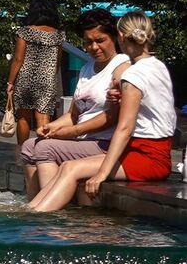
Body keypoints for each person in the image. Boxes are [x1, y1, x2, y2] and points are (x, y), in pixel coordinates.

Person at [29, 12, 176, 212]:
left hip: (146, 155)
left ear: (120, 37)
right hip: (152, 151)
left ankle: (40, 218)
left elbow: (124, 128)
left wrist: (102, 173)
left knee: (72, 168)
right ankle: (33, 211)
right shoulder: (157, 66)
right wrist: (120, 98)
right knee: (68, 167)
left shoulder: (133, 74)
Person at [19, 8, 127, 197]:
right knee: (29, 146)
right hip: (84, 141)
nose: (94, 47)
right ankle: (34, 201)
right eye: (88, 42)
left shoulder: (122, 66)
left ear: (114, 38)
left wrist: (74, 131)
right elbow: (73, 115)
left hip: (105, 143)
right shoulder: (87, 68)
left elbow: (114, 116)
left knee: (46, 148)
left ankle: (52, 209)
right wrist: (50, 127)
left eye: (100, 40)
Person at [4, 0, 64, 143]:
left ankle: (22, 150)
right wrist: (51, 77)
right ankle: (42, 152)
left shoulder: (24, 32)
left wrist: (10, 82)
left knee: (23, 117)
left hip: (25, 79)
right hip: (47, 80)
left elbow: (18, 59)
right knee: (43, 118)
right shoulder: (58, 35)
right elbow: (58, 61)